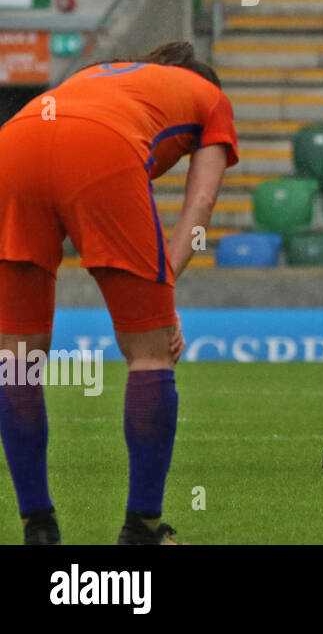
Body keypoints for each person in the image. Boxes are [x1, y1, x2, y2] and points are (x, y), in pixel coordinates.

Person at [0, 42, 238, 544]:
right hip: (99, 150)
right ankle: (142, 528)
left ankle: (36, 526)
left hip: (13, 141)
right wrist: (163, 291)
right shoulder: (209, 95)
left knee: (17, 358)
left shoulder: (98, 74)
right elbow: (201, 200)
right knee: (150, 355)